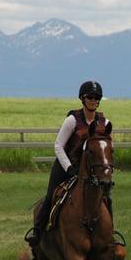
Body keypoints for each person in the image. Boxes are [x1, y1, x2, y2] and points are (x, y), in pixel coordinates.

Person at [25, 80, 112, 246]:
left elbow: (107, 147)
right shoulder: (72, 120)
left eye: (97, 97)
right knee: (51, 196)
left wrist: (105, 168)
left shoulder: (105, 123)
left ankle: (109, 235)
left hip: (91, 170)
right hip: (66, 166)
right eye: (90, 97)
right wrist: (69, 167)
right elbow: (58, 145)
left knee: (107, 199)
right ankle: (38, 233)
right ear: (82, 99)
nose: (94, 100)